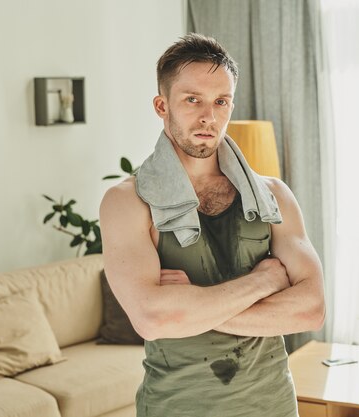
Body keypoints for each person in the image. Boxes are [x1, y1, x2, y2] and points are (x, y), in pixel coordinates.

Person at [100, 33, 325, 417]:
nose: (209, 117)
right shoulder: (127, 202)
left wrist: (192, 309)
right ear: (161, 105)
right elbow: (153, 319)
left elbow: (311, 311)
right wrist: (265, 282)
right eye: (193, 100)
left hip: (273, 407)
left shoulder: (275, 195)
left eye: (221, 101)